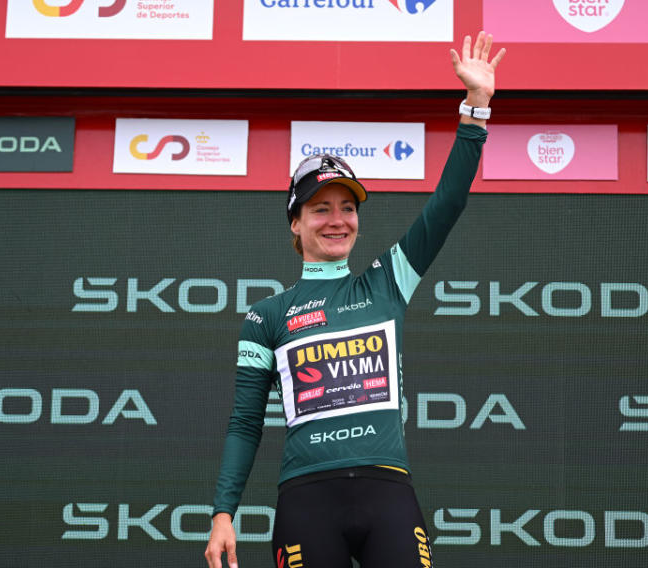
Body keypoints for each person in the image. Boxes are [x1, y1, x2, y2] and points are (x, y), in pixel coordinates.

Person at [205, 31, 506, 568]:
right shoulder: (266, 316)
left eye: (347, 206)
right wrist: (224, 513)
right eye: (320, 209)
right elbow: (245, 422)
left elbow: (447, 204)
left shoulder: (386, 280)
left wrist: (474, 111)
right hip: (306, 500)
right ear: (295, 225)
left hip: (387, 492)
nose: (337, 219)